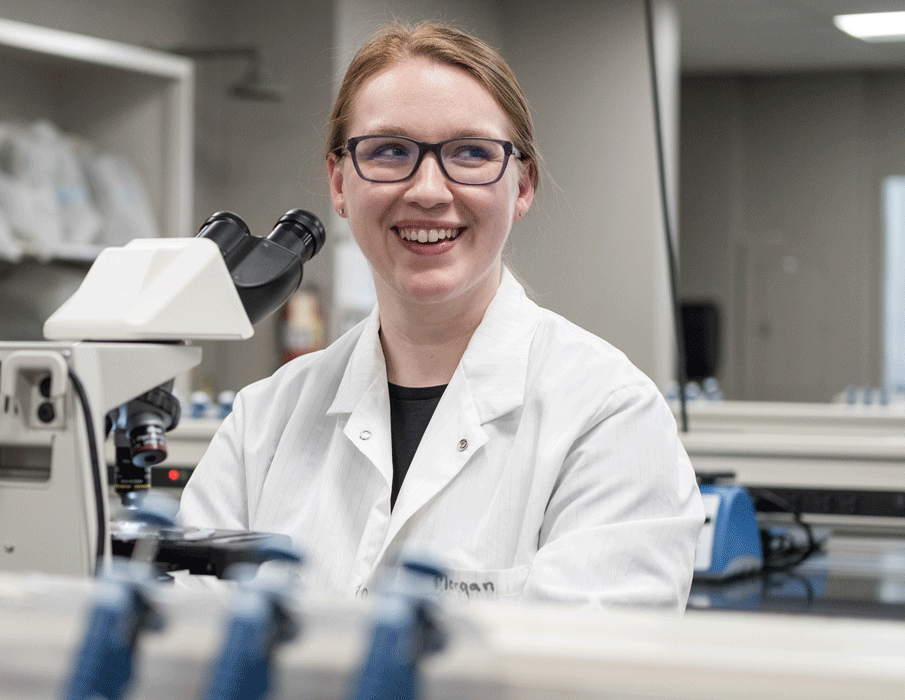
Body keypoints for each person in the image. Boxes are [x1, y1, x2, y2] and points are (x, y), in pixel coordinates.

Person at [177, 21, 703, 609]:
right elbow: (180, 641)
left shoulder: (609, 417)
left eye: (471, 153)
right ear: (339, 184)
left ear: (522, 185)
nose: (428, 190)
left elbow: (586, 675)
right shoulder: (264, 422)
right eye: (389, 151)